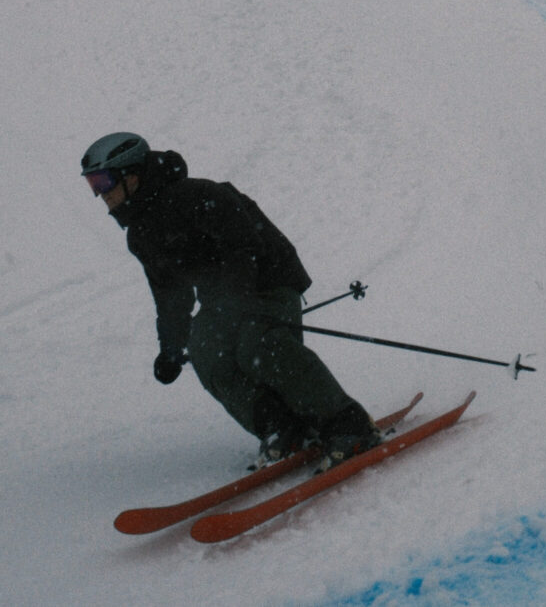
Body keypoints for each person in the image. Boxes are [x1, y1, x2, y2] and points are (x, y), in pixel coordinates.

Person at [80, 131, 379, 467]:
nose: (100, 193)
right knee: (205, 350)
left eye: (103, 181)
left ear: (131, 175)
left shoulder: (198, 196)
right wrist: (171, 348)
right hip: (222, 300)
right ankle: (280, 426)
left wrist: (236, 300)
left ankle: (348, 423)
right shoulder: (141, 235)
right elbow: (170, 294)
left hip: (270, 281)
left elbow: (245, 245)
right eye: (93, 184)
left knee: (259, 344)